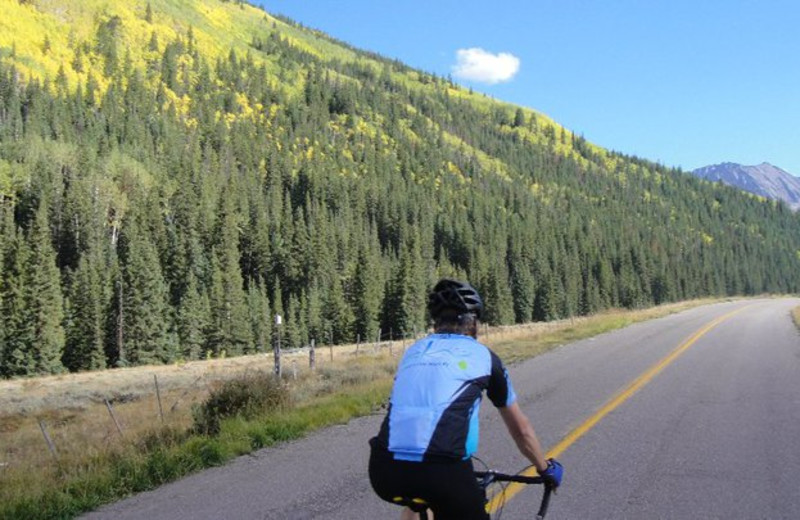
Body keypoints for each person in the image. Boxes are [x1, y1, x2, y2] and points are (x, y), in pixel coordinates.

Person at [369, 279, 563, 520]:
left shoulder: (414, 351)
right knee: (439, 489)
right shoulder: (484, 357)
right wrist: (544, 468)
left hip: (384, 472)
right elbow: (521, 430)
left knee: (419, 496)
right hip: (443, 472)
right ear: (473, 324)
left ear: (436, 323)